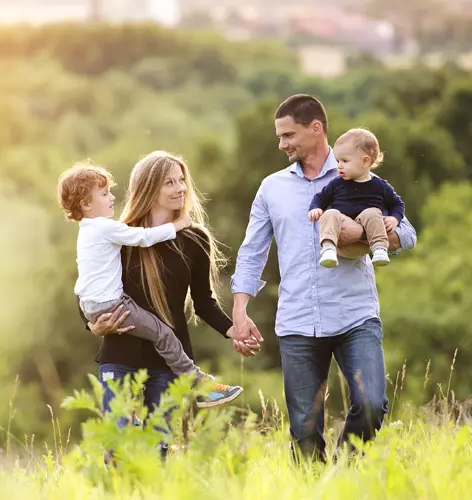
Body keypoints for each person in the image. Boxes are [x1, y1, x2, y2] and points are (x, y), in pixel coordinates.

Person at [230, 94, 416, 462]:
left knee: (371, 405)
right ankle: (316, 488)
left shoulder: (363, 177)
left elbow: (407, 234)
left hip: (355, 314)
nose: (281, 144)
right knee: (304, 428)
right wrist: (240, 310)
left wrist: (372, 235)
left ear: (316, 129)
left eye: (288, 135)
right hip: (298, 320)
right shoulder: (272, 188)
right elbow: (253, 250)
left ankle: (342, 474)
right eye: (279, 137)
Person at [77, 151, 251, 456]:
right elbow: (90, 287)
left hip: (169, 361)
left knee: (158, 449)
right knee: (118, 449)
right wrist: (91, 323)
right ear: (149, 188)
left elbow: (204, 302)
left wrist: (232, 330)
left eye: (182, 180)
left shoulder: (195, 239)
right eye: (169, 182)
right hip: (120, 353)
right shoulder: (122, 235)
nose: (180, 188)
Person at [308, 128, 405, 268]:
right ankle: (328, 248)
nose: (339, 166)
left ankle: (379, 249)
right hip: (342, 239)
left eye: (345, 161)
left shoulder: (380, 186)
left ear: (365, 162)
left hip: (365, 244)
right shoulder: (337, 184)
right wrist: (315, 208)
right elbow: (320, 197)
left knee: (372, 212)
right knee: (330, 213)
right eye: (337, 161)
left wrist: (395, 218)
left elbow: (397, 204)